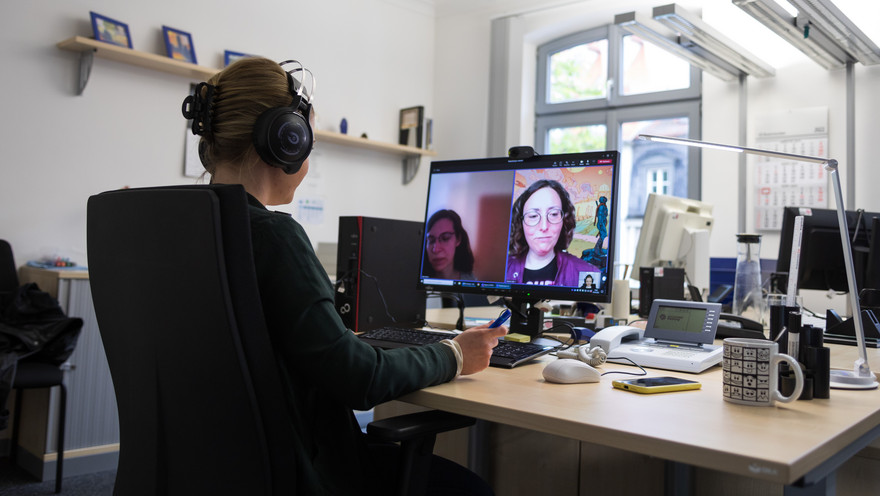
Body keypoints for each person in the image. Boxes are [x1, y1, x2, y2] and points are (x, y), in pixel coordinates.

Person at [182, 57, 503, 495]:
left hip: (211, 469)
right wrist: (455, 355)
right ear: (286, 142)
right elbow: (360, 379)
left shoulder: (175, 229)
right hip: (304, 474)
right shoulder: (274, 238)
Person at [506, 179, 599, 286]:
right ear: (520, 222)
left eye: (554, 214)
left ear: (564, 220)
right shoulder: (499, 270)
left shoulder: (588, 273)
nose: (544, 226)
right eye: (533, 216)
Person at [424, 209, 476, 280]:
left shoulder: (470, 280)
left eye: (445, 238)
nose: (435, 249)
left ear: (458, 239)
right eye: (431, 240)